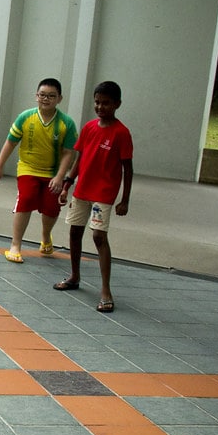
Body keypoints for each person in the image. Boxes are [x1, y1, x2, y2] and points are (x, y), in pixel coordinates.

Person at [52, 80, 133, 313]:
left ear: (117, 104)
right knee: (74, 231)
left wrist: (125, 199)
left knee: (99, 236)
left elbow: (128, 168)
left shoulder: (121, 133)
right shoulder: (88, 128)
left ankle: (106, 290)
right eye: (97, 102)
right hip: (82, 191)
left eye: (106, 103)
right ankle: (75, 276)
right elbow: (80, 159)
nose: (100, 107)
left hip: (104, 194)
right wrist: (68, 183)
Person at [0, 78, 78, 263]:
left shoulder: (66, 123)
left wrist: (60, 176)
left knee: (51, 208)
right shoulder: (25, 117)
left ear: (59, 98)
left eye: (51, 96)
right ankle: (15, 245)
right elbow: (10, 142)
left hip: (53, 173)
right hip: (28, 168)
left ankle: (46, 237)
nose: (46, 99)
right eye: (42, 95)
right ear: (36, 96)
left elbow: (69, 152)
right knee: (26, 199)